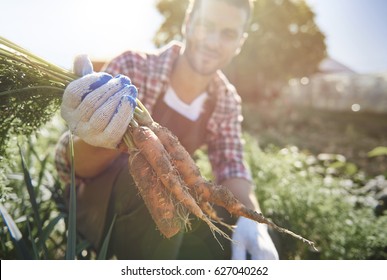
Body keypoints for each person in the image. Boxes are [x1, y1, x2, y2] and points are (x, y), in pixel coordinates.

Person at [55, 0, 279, 260]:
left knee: (242, 231)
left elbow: (232, 166)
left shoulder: (224, 98)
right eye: (206, 26)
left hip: (166, 214)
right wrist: (95, 135)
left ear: (240, 41)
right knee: (155, 181)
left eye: (228, 34)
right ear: (187, 23)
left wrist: (252, 220)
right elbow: (71, 164)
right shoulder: (133, 68)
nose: (213, 42)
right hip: (96, 206)